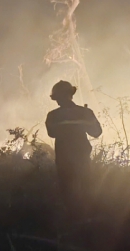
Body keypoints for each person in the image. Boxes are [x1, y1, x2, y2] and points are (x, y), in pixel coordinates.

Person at [45, 80, 102, 217]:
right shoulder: (85, 112)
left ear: (57, 98)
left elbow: (52, 133)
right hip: (82, 156)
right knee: (87, 188)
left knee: (67, 192)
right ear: (71, 94)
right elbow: (96, 132)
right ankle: (90, 219)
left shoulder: (53, 116)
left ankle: (73, 219)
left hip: (63, 158)